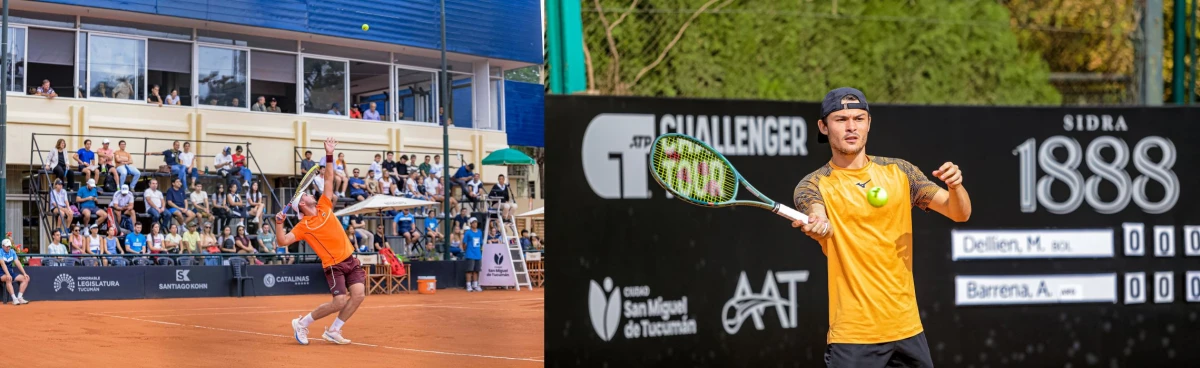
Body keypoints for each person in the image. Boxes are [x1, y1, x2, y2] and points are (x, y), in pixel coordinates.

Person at [792, 87, 971, 368]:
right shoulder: (813, 185)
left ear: (869, 123)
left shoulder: (901, 172)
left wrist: (955, 186)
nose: (851, 127)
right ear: (823, 127)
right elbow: (816, 212)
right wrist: (820, 224)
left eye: (858, 118)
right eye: (840, 120)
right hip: (853, 336)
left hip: (908, 330)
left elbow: (958, 213)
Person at [278, 137, 366, 345]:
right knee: (339, 301)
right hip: (334, 265)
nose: (311, 194)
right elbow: (282, 242)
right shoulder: (303, 226)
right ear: (302, 204)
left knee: (359, 295)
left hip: (350, 259)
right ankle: (302, 323)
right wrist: (279, 224)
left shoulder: (324, 206)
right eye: (307, 194)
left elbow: (329, 178)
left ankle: (334, 330)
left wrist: (329, 154)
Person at [1, 239, 31, 305]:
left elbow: (17, 262)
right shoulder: (0, 252)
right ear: (2, 246)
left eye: (9, 246)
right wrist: (8, 274)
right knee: (8, 278)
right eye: (6, 246)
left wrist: (24, 273)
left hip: (10, 272)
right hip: (1, 273)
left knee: (26, 278)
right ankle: (14, 299)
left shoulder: (12, 252)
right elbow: (2, 264)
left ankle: (19, 298)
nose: (8, 248)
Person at [462, 218, 483, 292]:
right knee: (469, 270)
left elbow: (480, 243)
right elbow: (464, 243)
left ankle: (475, 285)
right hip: (470, 254)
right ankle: (468, 286)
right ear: (470, 224)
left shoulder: (480, 232)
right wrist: (466, 250)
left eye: (476, 222)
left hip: (478, 254)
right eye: (473, 223)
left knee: (476, 271)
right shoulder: (468, 233)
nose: (475, 224)